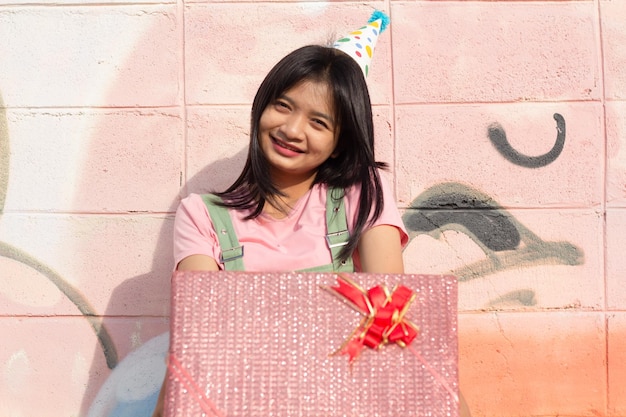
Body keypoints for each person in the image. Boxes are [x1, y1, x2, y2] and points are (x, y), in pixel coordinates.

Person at [151, 12, 430, 417]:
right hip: (243, 399)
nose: (293, 130)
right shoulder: (203, 216)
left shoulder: (361, 191)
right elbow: (202, 331)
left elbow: (388, 311)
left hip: (346, 397)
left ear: (339, 142)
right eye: (283, 106)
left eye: (319, 122)